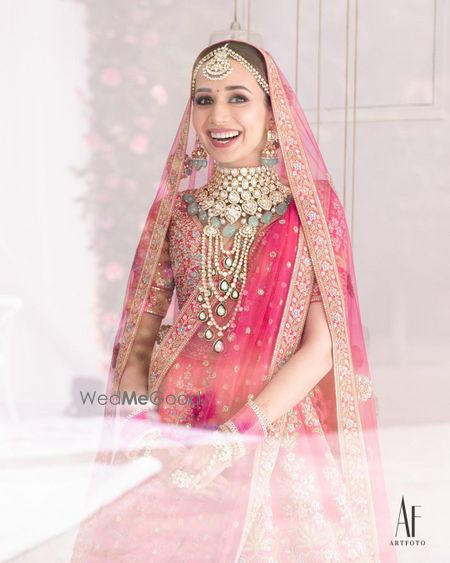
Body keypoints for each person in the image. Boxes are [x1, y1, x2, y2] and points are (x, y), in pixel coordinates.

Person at [71, 40, 397, 562]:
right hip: (174, 435)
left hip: (271, 432)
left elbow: (322, 348)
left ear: (273, 113)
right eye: (203, 99)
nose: (218, 115)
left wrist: (232, 439)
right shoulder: (176, 212)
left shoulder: (310, 210)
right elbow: (138, 339)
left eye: (238, 97)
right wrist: (143, 432)